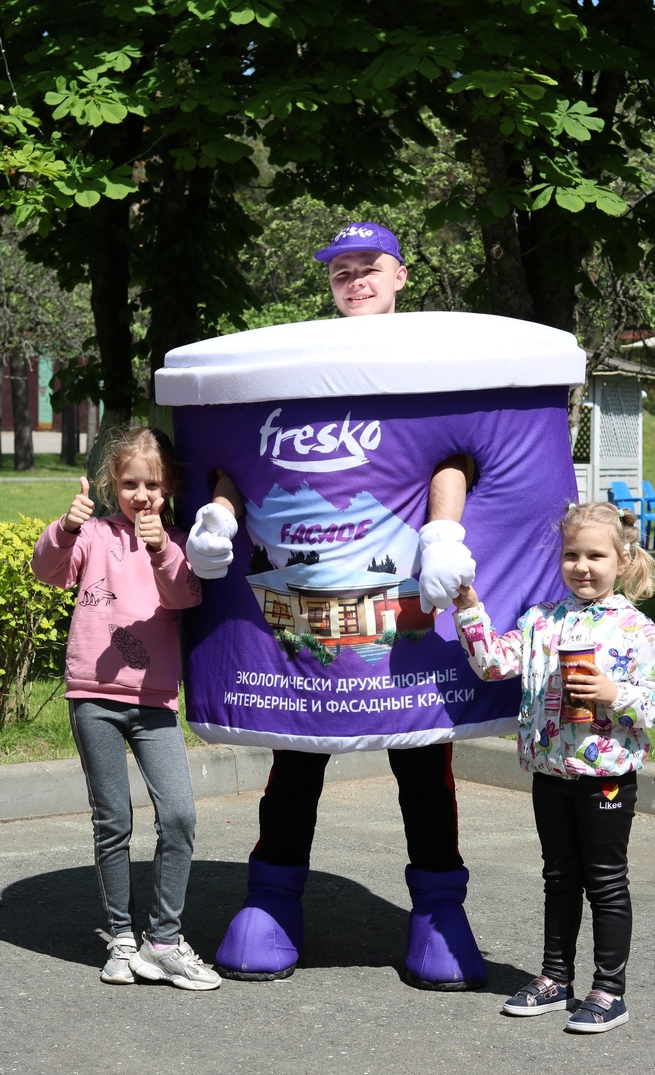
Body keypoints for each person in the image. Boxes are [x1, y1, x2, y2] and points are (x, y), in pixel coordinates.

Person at [187, 221, 485, 991]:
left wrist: (444, 533)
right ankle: (271, 898)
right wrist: (220, 512)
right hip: (307, 615)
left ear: (401, 275)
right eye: (341, 271)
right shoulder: (300, 364)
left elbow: (454, 450)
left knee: (423, 763)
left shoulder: (434, 357)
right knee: (296, 759)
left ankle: (440, 910)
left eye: (368, 267)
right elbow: (244, 452)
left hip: (404, 606)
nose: (354, 280)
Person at [452, 501, 655, 1033]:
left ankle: (610, 990)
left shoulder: (635, 627)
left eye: (596, 555)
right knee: (558, 877)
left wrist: (613, 692)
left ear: (622, 560)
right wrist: (468, 607)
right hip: (551, 773)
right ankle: (556, 978)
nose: (582, 566)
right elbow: (492, 665)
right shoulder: (540, 621)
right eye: (572, 554)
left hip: (607, 778)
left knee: (605, 881)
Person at [31, 426, 221, 991]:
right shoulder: (92, 535)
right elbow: (48, 570)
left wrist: (161, 547)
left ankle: (162, 941)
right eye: (131, 484)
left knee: (179, 817)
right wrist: (65, 527)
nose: (141, 495)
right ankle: (120, 938)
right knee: (113, 820)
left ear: (170, 487)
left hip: (154, 701)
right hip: (92, 697)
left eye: (153, 485)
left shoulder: (178, 543)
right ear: (113, 484)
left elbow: (185, 594)